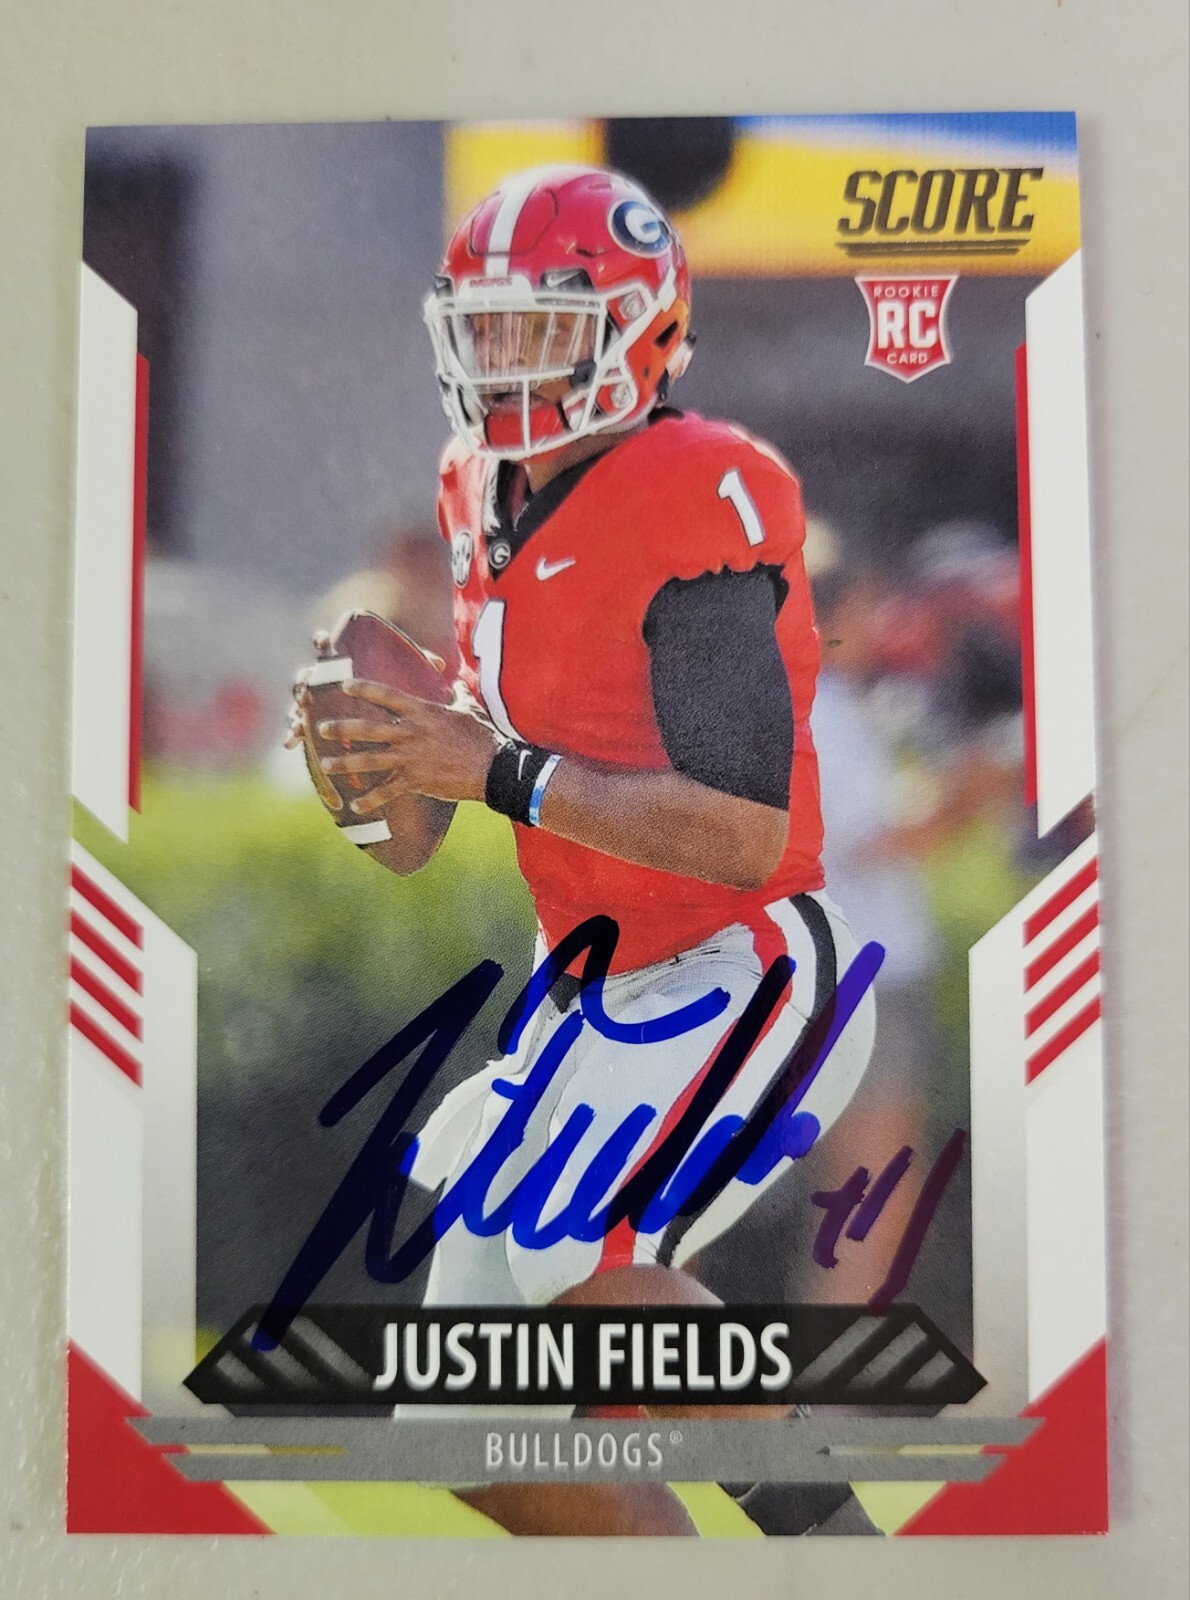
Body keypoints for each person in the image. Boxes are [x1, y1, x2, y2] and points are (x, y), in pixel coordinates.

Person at [292, 164, 877, 1536]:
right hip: (590, 989)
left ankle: (845, 1556)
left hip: (741, 962)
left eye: (538, 329)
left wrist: (483, 766)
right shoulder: (475, 486)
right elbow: (429, 829)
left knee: (584, 1263)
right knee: (467, 1424)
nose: (504, 362)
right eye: (483, 329)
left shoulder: (695, 484)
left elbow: (744, 833)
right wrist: (383, 766)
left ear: (638, 331)